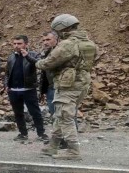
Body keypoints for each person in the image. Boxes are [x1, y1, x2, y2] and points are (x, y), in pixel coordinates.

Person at [35, 14, 97, 160]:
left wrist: (37, 62)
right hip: (82, 84)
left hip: (68, 85)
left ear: (61, 29)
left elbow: (48, 63)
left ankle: (73, 151)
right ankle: (53, 146)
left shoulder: (67, 43)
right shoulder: (88, 42)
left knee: (65, 116)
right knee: (60, 114)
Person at [5, 35, 48, 142]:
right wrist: (6, 85)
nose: (16, 46)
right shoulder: (11, 57)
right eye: (14, 43)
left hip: (29, 89)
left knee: (35, 112)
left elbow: (39, 65)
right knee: (18, 113)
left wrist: (27, 56)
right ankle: (23, 133)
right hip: (14, 91)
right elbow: (7, 73)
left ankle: (41, 133)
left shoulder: (33, 54)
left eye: (19, 43)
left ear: (26, 44)